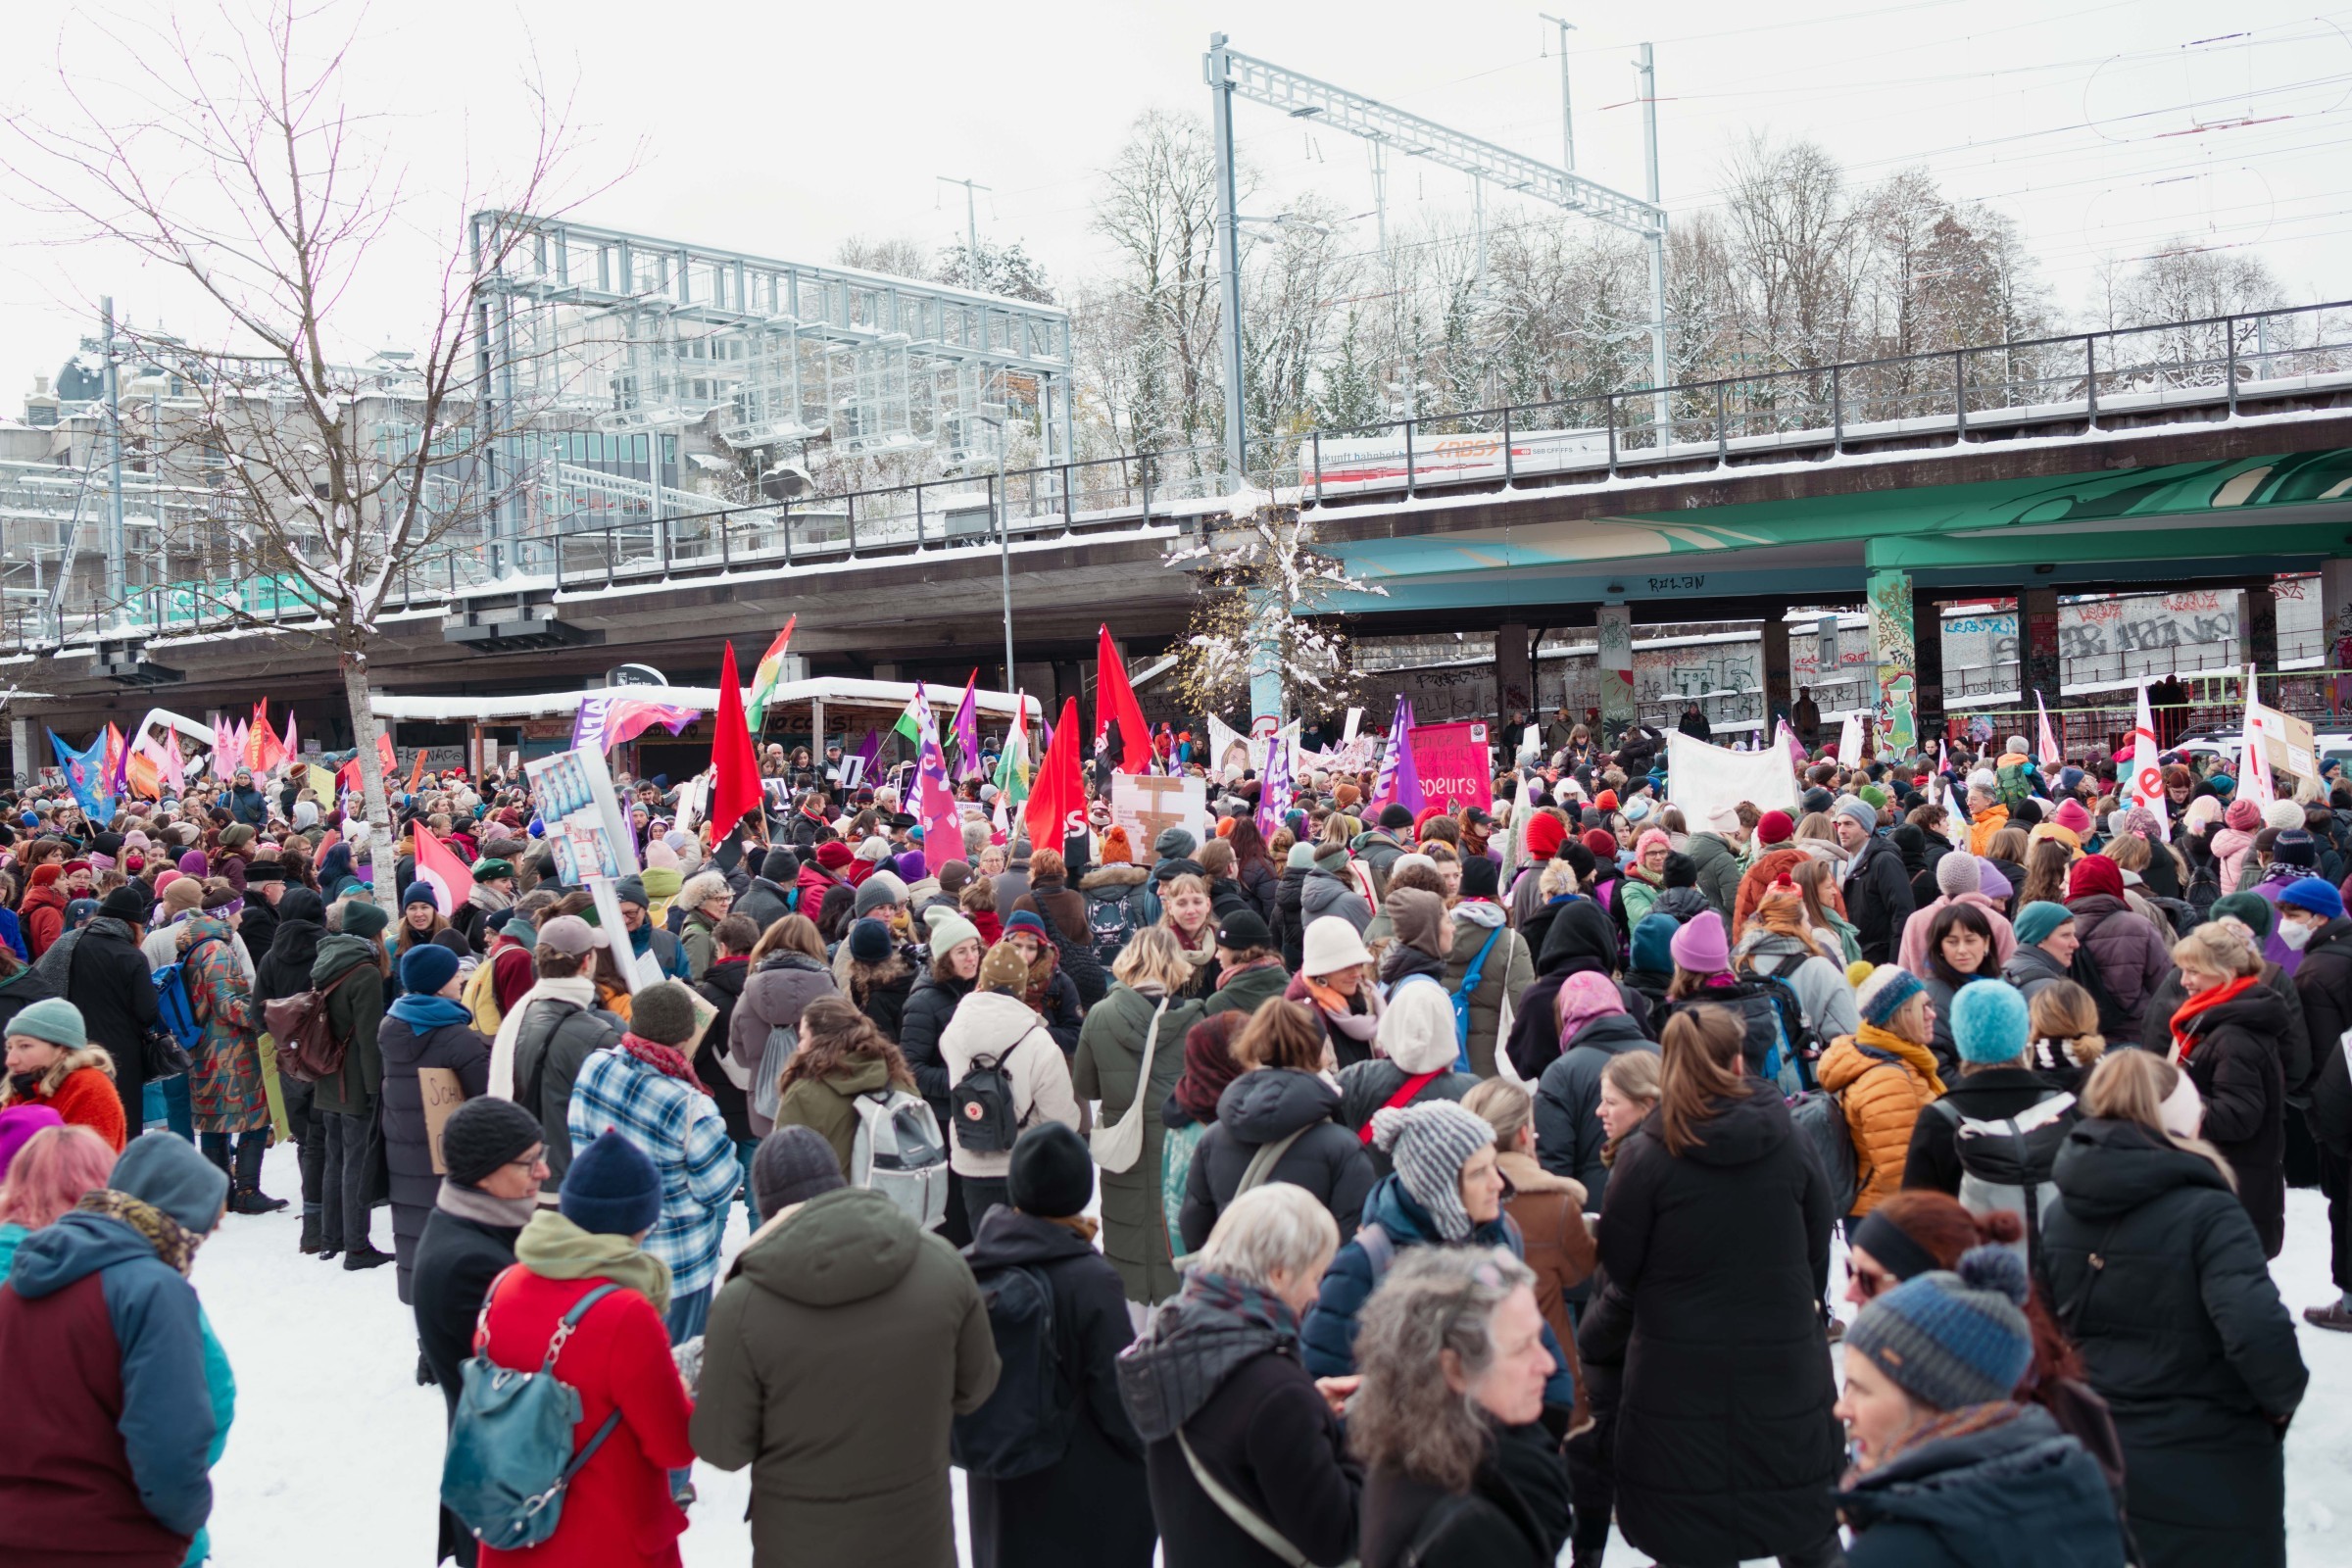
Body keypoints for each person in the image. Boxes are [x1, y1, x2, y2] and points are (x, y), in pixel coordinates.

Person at [1579, 1004, 1843, 1568]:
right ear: (1739, 1060)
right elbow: (1817, 1248)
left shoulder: (1646, 1157)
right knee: (1803, 1521)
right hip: (1783, 1360)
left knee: (1691, 1532)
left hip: (1676, 1375)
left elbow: (1620, 1268)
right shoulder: (1789, 1142)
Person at [2042, 1050, 2308, 1568]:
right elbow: (2258, 1329)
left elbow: (2045, 1330)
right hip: (2209, 1461)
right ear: (2181, 1121)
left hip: (2097, 1449)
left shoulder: (2063, 1209)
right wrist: (2278, 1403)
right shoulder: (2209, 1211)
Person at [691, 1125, 1001, 1568]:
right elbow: (977, 1386)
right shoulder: (940, 1263)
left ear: (766, 1206)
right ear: (838, 1182)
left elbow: (722, 1447)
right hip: (918, 1540)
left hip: (798, 1546)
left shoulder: (743, 1304)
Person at [0, 1131, 228, 1567]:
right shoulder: (152, 1291)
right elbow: (172, 1443)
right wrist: (182, 1525)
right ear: (181, 1217)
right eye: (205, 1227)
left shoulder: (21, 1283)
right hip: (111, 1542)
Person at [476, 1129, 696, 1568]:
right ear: (644, 1220)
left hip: (518, 1532)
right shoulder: (627, 1313)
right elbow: (674, 1446)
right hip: (607, 1540)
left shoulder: (503, 1286)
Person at [1835, 1245, 2127, 1566]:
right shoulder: (2071, 1479)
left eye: (1862, 1389)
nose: (1841, 1409)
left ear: (1936, 1398)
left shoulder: (1893, 1553)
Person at [1117, 1182, 1360, 1568]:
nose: (1317, 1295)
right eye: (1316, 1276)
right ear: (1280, 1274)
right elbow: (1338, 1536)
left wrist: (1307, 1408)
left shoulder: (1175, 1340)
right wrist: (1360, 1438)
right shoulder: (1276, 1392)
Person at [1300, 1101, 1576, 1430]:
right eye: (1478, 1173)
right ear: (1438, 1189)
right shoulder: (1363, 1264)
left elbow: (1539, 1346)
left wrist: (1541, 1436)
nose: (1498, 1183)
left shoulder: (1499, 1235)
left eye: (1494, 1166)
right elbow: (1328, 1394)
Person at [960, 1124, 1154, 1568]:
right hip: (1081, 1487)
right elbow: (1117, 1396)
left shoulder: (974, 1264)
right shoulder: (1089, 1278)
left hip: (999, 1480)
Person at [1352, 1247, 1573, 1568]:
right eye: (1521, 1348)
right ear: (1456, 1369)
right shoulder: (1467, 1535)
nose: (1548, 1364)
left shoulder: (1418, 1455)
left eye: (1539, 1339)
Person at [411, 1097, 550, 1568]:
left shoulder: (484, 1226)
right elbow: (529, 1377)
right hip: (504, 1492)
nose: (543, 1173)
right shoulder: (469, 1264)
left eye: (541, 1156)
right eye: (529, 1163)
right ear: (485, 1173)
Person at [565, 981, 737, 1343]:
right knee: (670, 1379)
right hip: (675, 1267)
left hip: (604, 1256)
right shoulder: (690, 1106)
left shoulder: (595, 1066)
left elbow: (580, 1138)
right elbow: (718, 1187)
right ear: (686, 1035)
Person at [1072, 926, 1206, 1306]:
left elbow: (1088, 1087)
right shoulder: (1196, 1020)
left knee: (1127, 1239)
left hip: (1124, 1152)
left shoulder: (1099, 1016)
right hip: (1177, 1152)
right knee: (1173, 1233)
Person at [1181, 1000, 1376, 1252]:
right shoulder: (1343, 1147)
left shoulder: (1213, 1138)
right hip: (1310, 1287)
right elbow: (1353, 1245)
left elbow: (1194, 1231)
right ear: (1318, 1053)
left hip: (1237, 1284)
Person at [1464, 1076, 1593, 1414]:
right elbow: (1581, 1272)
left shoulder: (1442, 1204)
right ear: (1524, 1134)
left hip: (1469, 1382)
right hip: (1547, 1377)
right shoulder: (1557, 1204)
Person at [2164, 919, 2290, 1257]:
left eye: (2194, 971)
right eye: (2183, 970)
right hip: (2225, 1184)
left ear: (2228, 972)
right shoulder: (2218, 1020)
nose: (2184, 980)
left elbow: (2237, 1117)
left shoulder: (2234, 1036)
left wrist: (2167, 1103)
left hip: (2233, 1190)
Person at [939, 938, 1083, 1229]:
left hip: (971, 1159)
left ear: (983, 981)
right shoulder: (1039, 1040)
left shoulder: (953, 1033)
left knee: (988, 1247)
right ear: (1021, 986)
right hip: (1026, 1167)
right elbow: (1060, 1117)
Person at [378, 942, 492, 1304]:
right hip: (451, 1158)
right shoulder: (456, 1036)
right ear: (439, 982)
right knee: (453, 1243)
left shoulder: (393, 1026)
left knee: (415, 1235)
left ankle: (423, 1321)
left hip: (404, 1152)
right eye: (453, 974)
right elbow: (488, 1100)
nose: (460, 979)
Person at [1902, 978, 2071, 1198]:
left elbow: (1915, 1213)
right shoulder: (2059, 1108)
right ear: (2022, 1032)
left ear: (1962, 1036)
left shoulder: (1938, 1119)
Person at [493, 915, 623, 1189]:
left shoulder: (518, 1017)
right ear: (587, 963)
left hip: (529, 1175)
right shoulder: (598, 1034)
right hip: (576, 1184)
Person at [312, 899, 393, 1268]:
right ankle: (357, 1247)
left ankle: (332, 1237)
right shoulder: (365, 972)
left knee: (335, 1159)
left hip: (327, 1074)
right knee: (356, 1162)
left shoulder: (327, 959)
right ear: (373, 932)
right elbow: (369, 1037)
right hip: (356, 1080)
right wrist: (378, 1089)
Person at [1532, 972, 1658, 1202]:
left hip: (1591, 1208)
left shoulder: (1561, 1072)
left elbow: (1552, 1163)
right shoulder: (1662, 1056)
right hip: (1661, 1200)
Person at [1337, 975, 1481, 1169]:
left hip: (1374, 1194)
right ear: (1447, 1024)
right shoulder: (1472, 1090)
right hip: (1443, 1194)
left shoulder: (1358, 1078)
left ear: (1393, 1021)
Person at [769, 995, 920, 1176]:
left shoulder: (804, 1093)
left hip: (832, 1200)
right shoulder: (899, 1078)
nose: (799, 1045)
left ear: (820, 1041)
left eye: (803, 1037)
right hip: (895, 1198)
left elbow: (786, 1167)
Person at [726, 913, 838, 1138]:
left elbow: (739, 1055)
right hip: (819, 1109)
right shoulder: (831, 994)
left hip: (766, 1110)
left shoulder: (748, 996)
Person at [62, 886, 161, 1137]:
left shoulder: (71, 945)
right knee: (122, 1122)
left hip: (76, 1045)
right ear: (135, 923)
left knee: (84, 1120)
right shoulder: (132, 956)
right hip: (122, 1052)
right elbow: (147, 1012)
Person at [2066, 854, 2175, 1039]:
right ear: (2115, 882)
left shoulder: (2059, 928)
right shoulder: (2139, 926)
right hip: (2133, 1033)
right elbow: (2163, 985)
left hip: (2078, 1036)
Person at [1, 996, 128, 1151]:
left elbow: (84, 1167)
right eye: (9, 1047)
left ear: (61, 1048)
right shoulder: (21, 1089)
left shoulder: (88, 1087)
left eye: (25, 1046)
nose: (10, 1060)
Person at [1284, 916, 1382, 1071]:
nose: (1356, 973)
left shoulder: (1367, 996)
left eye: (1359, 964)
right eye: (1346, 967)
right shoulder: (1303, 1018)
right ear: (1320, 971)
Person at [1836, 794, 1916, 964]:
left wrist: (1895, 963)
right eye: (1840, 824)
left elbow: (1902, 913)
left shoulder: (1884, 860)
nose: (1841, 830)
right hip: (1862, 956)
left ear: (1866, 829)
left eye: (1849, 824)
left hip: (1881, 959)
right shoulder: (1852, 861)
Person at [2000, 901, 2079, 1002]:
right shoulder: (2048, 990)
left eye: (2073, 934)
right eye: (2065, 935)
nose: (2075, 944)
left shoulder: (2010, 969)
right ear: (2039, 939)